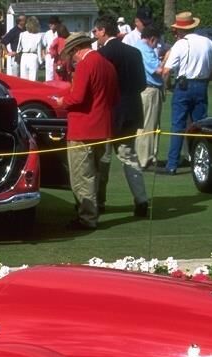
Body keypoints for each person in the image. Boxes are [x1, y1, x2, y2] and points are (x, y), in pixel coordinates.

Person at [60, 34, 118, 230]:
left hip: (82, 128)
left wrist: (62, 101)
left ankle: (87, 217)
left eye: (71, 54)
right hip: (103, 127)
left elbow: (77, 98)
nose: (71, 59)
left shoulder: (85, 64)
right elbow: (114, 97)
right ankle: (97, 208)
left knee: (82, 176)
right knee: (99, 173)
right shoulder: (108, 65)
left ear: (76, 50)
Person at [94, 15, 149, 218]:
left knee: (103, 159)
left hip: (110, 111)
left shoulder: (102, 54)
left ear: (102, 31)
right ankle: (141, 200)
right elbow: (142, 84)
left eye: (96, 32)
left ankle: (99, 202)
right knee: (129, 157)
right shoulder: (134, 52)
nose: (95, 36)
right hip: (132, 109)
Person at [159, 12, 212, 175]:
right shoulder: (207, 42)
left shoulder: (179, 44)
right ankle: (201, 164)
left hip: (184, 86)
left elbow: (166, 70)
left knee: (177, 125)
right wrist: (209, 78)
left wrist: (165, 86)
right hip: (201, 84)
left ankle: (172, 165)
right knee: (200, 127)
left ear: (179, 30)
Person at [134, 25, 165, 169]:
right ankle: (144, 159)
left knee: (150, 125)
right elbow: (159, 70)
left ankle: (149, 156)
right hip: (150, 89)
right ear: (152, 38)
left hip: (147, 89)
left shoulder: (138, 47)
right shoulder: (145, 49)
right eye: (156, 42)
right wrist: (169, 58)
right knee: (147, 125)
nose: (156, 45)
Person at [16, 17, 42, 82]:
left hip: (24, 56)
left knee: (23, 80)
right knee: (33, 80)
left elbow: (18, 49)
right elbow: (39, 51)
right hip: (33, 56)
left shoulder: (22, 34)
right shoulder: (39, 35)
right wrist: (41, 61)